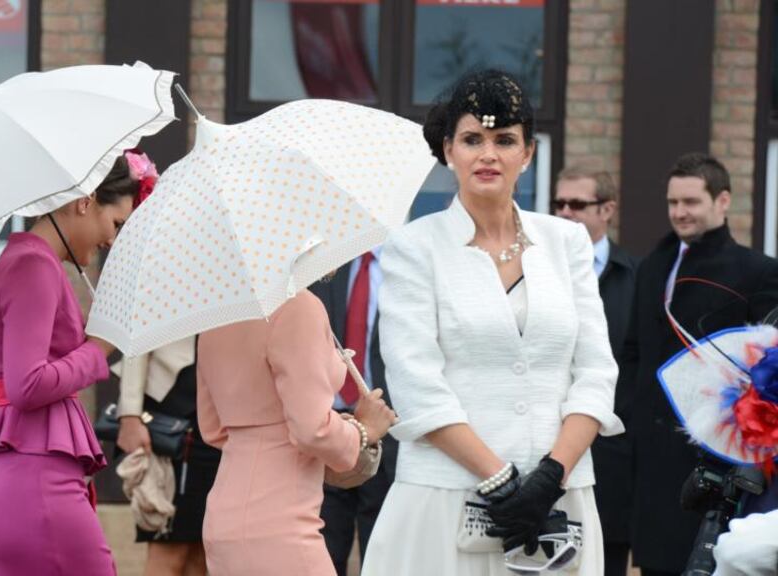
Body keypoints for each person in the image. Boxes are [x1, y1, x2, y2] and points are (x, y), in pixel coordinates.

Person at [361, 70, 622, 576]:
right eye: (472, 139)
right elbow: (416, 384)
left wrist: (551, 475)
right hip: (444, 497)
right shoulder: (414, 247)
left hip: (556, 504)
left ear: (527, 153)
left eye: (505, 140)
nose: (488, 154)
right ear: (447, 150)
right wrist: (498, 479)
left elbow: (595, 372)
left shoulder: (566, 242)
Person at [0, 151, 148, 575]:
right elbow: (28, 385)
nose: (112, 241)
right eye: (115, 224)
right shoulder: (35, 268)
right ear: (86, 199)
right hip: (36, 491)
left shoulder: (21, 262)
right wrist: (99, 348)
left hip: (1, 491)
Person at [621, 152, 778, 576]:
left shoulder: (759, 271)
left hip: (715, 459)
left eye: (691, 202)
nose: (679, 212)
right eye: (673, 203)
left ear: (722, 201)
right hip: (651, 456)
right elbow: (634, 352)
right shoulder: (653, 265)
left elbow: (766, 367)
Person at [197, 288, 397, 576]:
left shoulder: (217, 312)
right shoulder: (298, 306)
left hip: (222, 516)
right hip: (281, 519)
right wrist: (364, 429)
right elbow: (312, 429)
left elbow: (213, 428)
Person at [553, 165, 637, 576]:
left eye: (577, 204)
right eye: (559, 204)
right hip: (550, 451)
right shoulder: (537, 271)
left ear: (607, 209)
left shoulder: (636, 276)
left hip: (613, 457)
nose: (565, 212)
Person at [310, 251, 398, 575]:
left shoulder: (404, 263)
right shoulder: (327, 265)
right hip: (330, 426)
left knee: (381, 555)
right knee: (325, 551)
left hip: (388, 432)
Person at [115, 336, 221, 576]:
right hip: (173, 418)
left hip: (220, 418)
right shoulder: (157, 295)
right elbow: (136, 338)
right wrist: (129, 414)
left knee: (204, 552)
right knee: (170, 548)